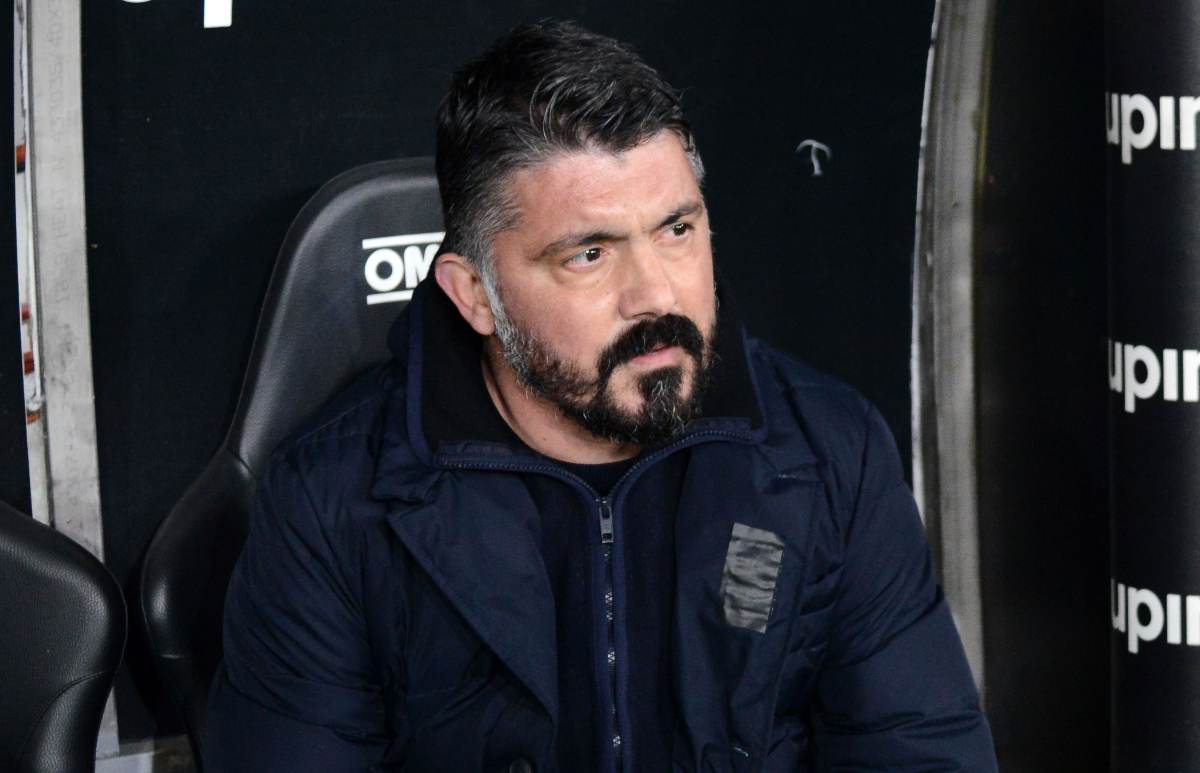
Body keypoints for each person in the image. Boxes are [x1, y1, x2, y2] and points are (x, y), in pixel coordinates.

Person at [206, 20, 998, 773]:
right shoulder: (331, 503)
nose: (656, 294)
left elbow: (923, 751)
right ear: (475, 294)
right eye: (589, 253)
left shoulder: (830, 454)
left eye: (677, 230)